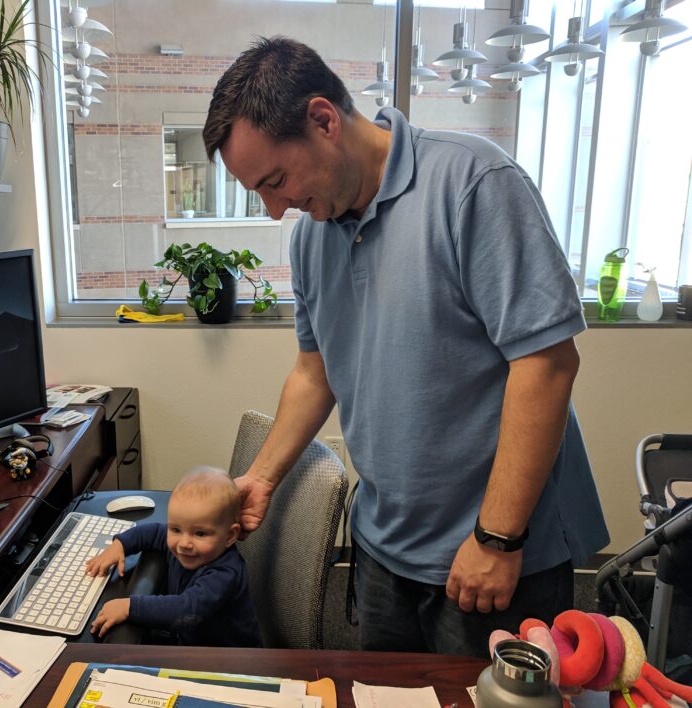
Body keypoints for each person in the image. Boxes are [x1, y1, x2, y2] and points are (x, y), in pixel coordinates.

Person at [202, 36, 609, 658]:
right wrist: (261, 477)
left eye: (276, 180)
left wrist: (497, 539)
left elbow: (548, 364)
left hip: (494, 552)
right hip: (383, 547)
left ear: (323, 120)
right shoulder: (313, 238)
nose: (275, 207)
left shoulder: (475, 183)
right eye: (259, 191)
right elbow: (316, 374)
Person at [85, 467, 262, 647]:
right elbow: (153, 532)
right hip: (192, 642)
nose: (184, 543)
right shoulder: (187, 545)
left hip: (230, 660)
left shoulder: (225, 573)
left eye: (200, 534)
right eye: (175, 529)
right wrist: (120, 544)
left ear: (230, 536)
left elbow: (187, 609)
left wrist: (129, 607)